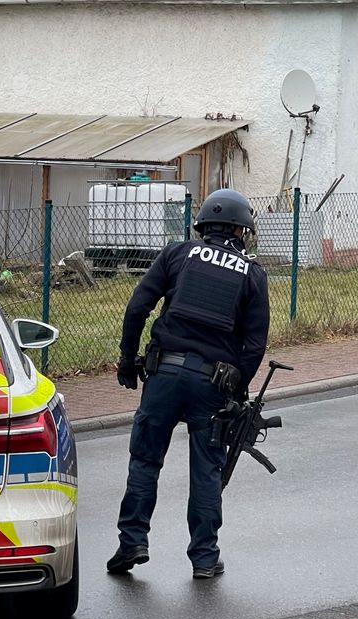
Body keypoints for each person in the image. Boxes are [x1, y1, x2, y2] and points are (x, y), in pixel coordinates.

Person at [107, 188, 270, 579]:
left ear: (202, 225)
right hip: (210, 385)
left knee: (145, 460)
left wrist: (128, 360)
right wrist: (237, 387)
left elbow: (137, 307)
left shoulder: (177, 254)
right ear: (239, 230)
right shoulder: (252, 273)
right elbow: (254, 344)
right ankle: (203, 557)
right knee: (206, 471)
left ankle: (132, 542)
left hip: (162, 375)